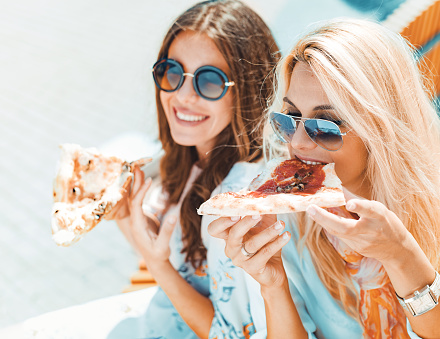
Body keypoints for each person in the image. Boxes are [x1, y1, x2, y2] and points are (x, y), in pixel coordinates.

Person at [208, 18, 440, 338]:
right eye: (290, 118)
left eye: (326, 125)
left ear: (381, 129)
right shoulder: (282, 220)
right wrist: (272, 285)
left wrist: (402, 255)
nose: (298, 142)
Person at [21, 1, 279, 338]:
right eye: (172, 72)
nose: (183, 96)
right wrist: (127, 217)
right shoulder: (194, 161)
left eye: (210, 81)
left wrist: (156, 262)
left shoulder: (238, 203)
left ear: (248, 89)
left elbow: (231, 334)